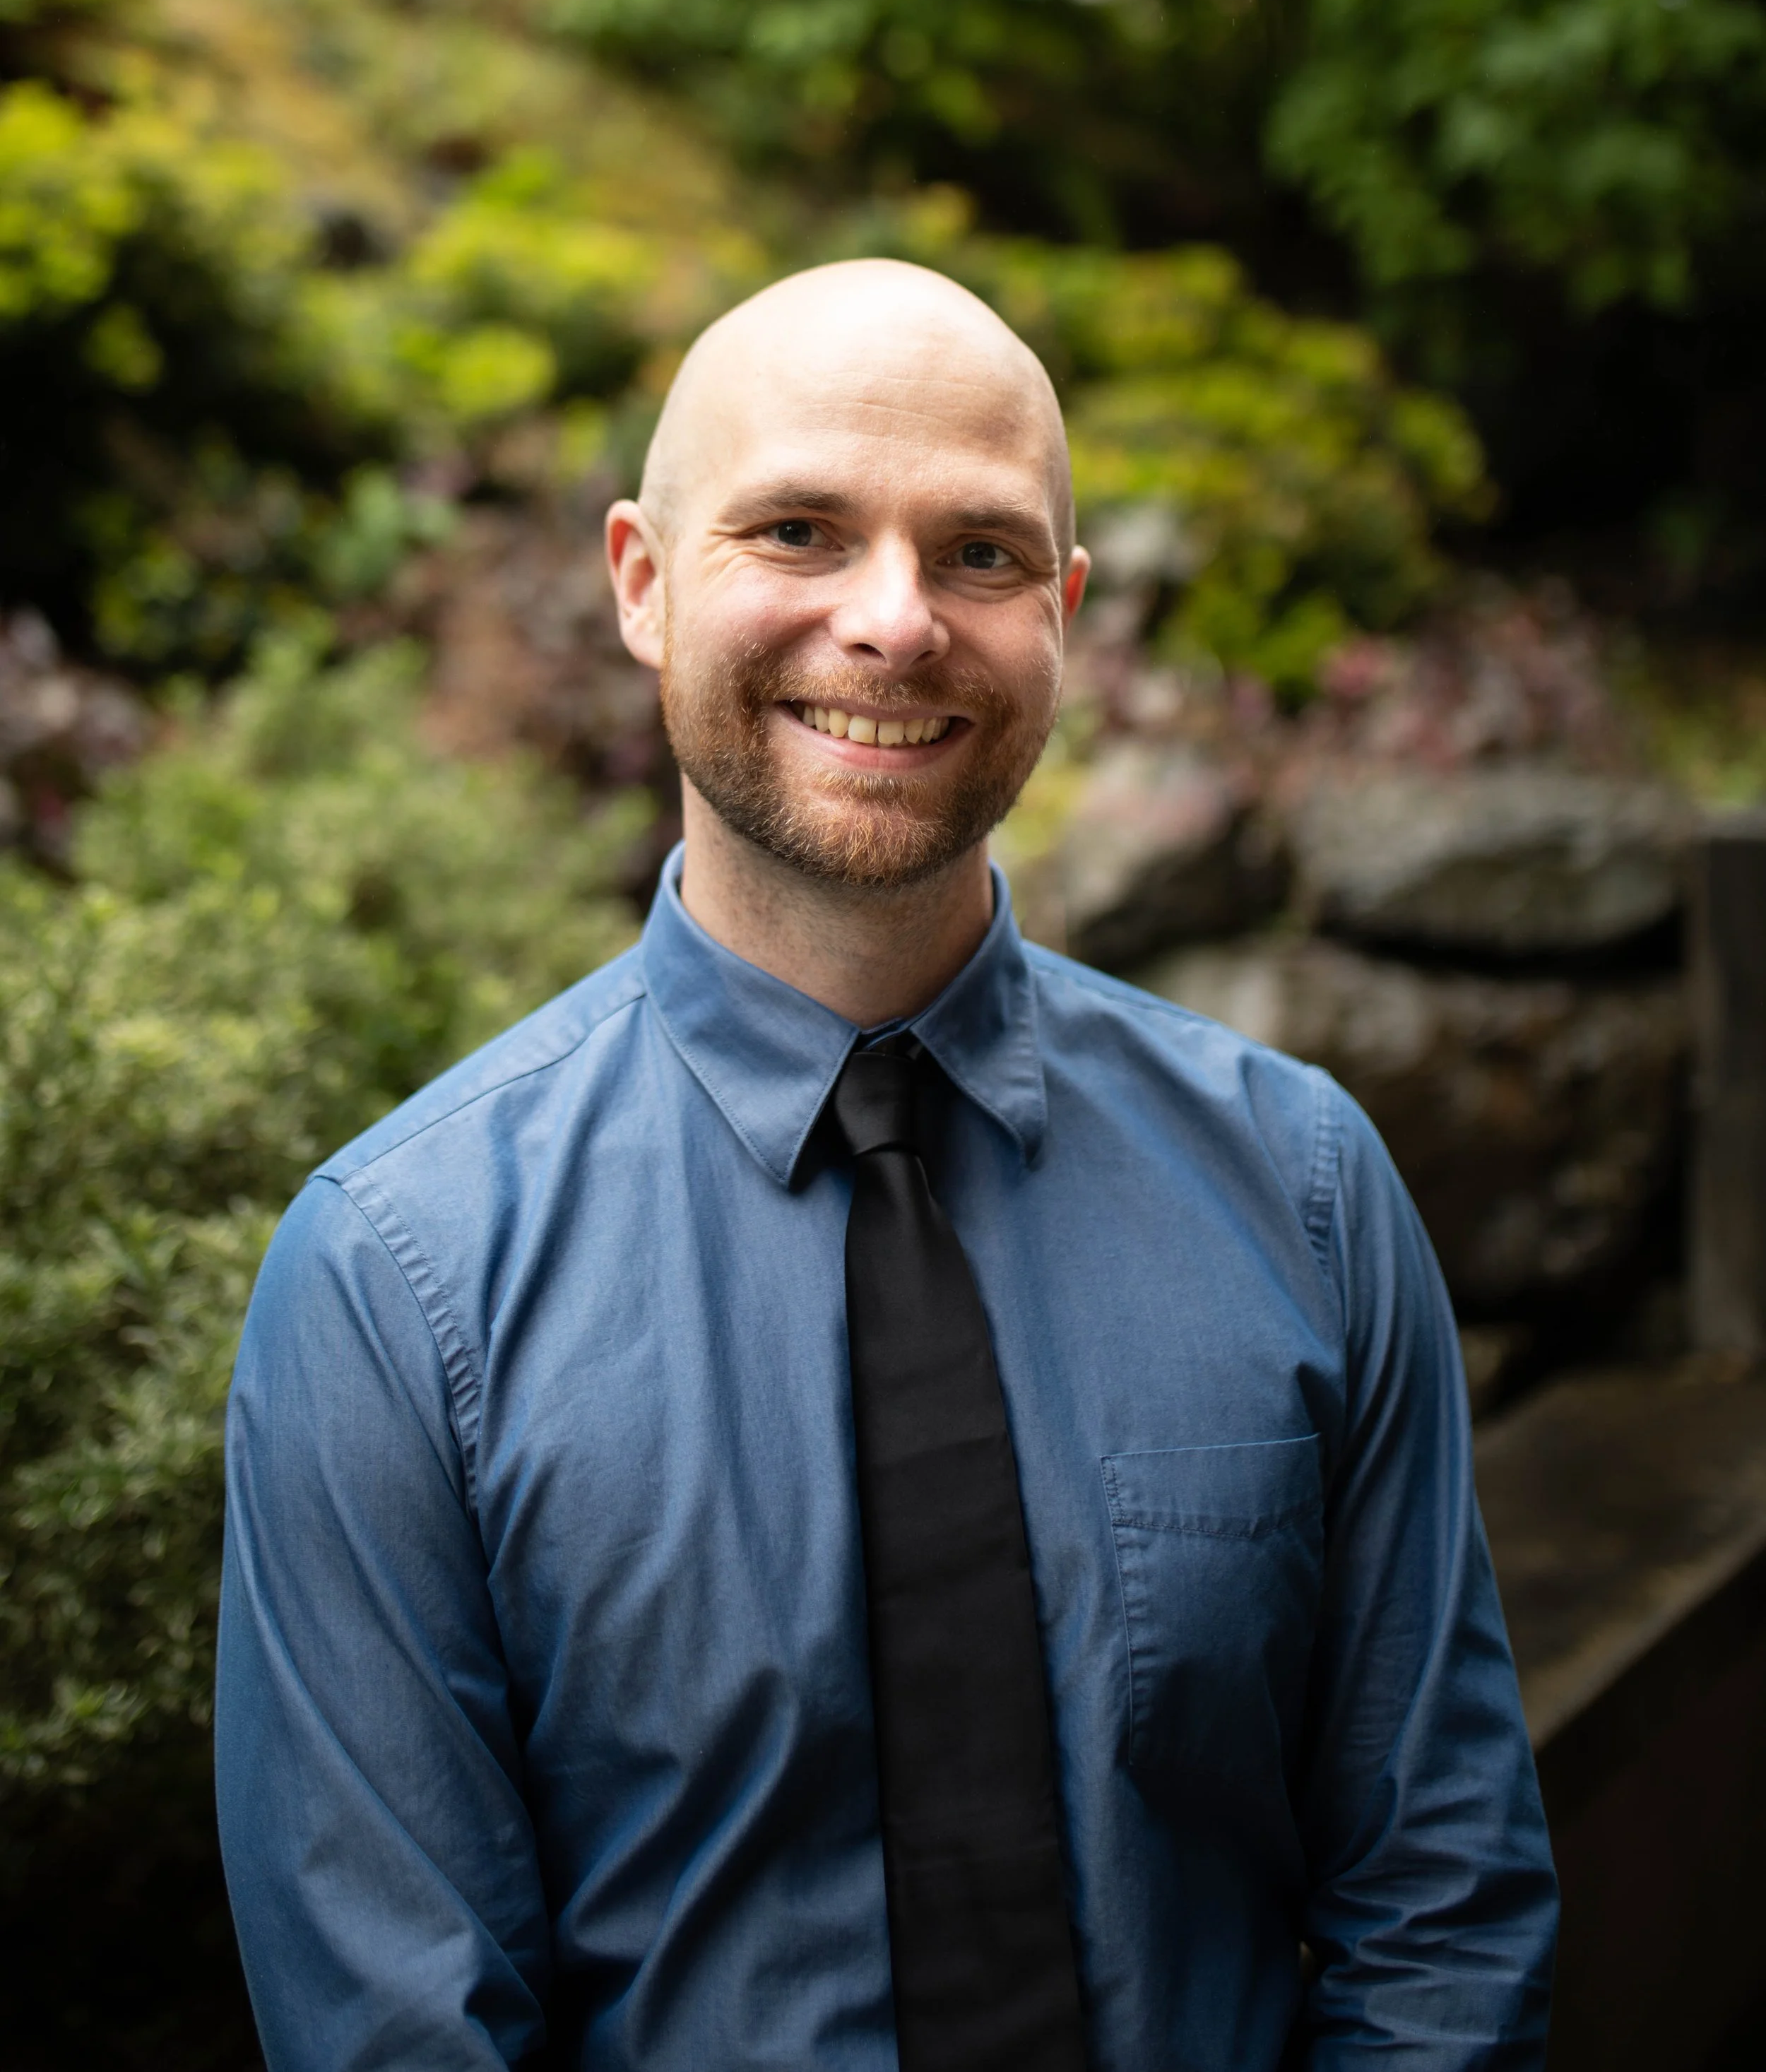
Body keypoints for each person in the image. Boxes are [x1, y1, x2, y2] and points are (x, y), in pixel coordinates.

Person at [216, 259, 1557, 2071]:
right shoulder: (395, 1280)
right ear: (641, 582)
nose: (894, 621)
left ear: (1065, 615)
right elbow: (403, 2032)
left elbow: (1442, 1913)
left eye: (981, 554)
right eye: (796, 529)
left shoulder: (1302, 1193)